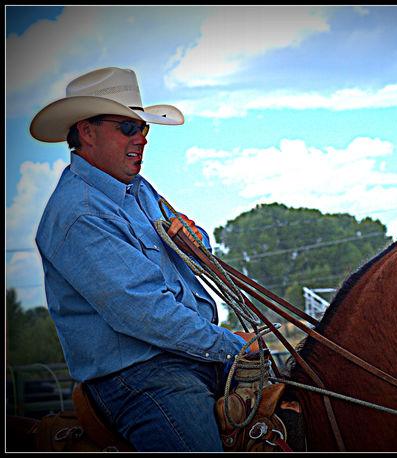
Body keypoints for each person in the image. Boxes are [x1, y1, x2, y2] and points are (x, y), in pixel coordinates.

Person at [31, 67, 255, 451]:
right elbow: (145, 312)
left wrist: (193, 237)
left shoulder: (137, 187)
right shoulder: (80, 213)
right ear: (86, 131)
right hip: (143, 375)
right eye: (128, 128)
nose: (142, 139)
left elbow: (194, 244)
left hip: (187, 354)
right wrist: (232, 345)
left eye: (144, 128)